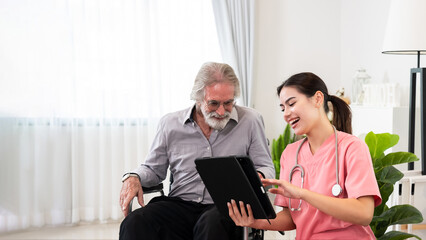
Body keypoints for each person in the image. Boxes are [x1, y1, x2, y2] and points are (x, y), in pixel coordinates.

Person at [119, 62, 275, 240]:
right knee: (135, 222)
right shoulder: (169, 124)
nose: (222, 111)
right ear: (197, 98)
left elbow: (266, 165)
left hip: (226, 208)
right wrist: (134, 177)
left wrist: (259, 176)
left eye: (229, 103)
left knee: (211, 225)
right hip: (180, 204)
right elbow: (153, 169)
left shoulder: (250, 121)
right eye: (214, 103)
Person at [228, 72, 382, 239]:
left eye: (291, 104)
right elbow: (290, 218)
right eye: (283, 108)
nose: (286, 114)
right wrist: (254, 222)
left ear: (317, 99)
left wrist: (303, 193)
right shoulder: (290, 154)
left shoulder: (352, 147)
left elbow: (364, 213)